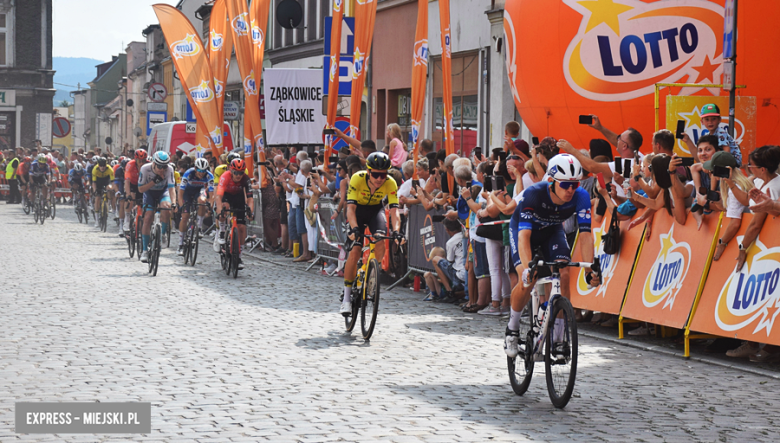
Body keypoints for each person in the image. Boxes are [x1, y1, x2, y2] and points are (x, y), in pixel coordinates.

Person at [504, 153, 600, 358]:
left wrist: (589, 269)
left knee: (564, 272)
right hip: (524, 232)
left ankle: (558, 338)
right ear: (552, 181)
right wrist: (526, 269)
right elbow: (524, 237)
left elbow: (585, 235)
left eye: (575, 184)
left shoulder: (581, 196)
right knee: (527, 279)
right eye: (565, 185)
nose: (571, 190)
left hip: (551, 231)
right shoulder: (534, 193)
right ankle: (512, 328)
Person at [340, 152, 404, 315]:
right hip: (357, 212)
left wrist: (397, 231)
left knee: (381, 238)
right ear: (368, 172)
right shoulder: (357, 179)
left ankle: (371, 274)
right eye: (375, 175)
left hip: (375, 211)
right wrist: (354, 228)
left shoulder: (390, 183)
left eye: (383, 175)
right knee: (355, 251)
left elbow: (395, 212)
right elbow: (351, 209)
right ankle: (346, 299)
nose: (379, 179)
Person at [216, 158, 255, 269]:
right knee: (224, 208)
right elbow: (218, 196)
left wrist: (250, 212)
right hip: (226, 196)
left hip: (238, 198)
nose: (238, 175)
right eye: (236, 173)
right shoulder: (225, 176)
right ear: (231, 170)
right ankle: (222, 231)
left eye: (241, 173)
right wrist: (219, 210)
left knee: (242, 226)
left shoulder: (246, 179)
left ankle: (239, 257)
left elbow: (250, 198)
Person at [138, 151, 176, 263]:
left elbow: (171, 188)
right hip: (149, 192)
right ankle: (144, 250)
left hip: (162, 192)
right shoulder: (145, 169)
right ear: (153, 163)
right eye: (159, 166)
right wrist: (154, 181)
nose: (162, 169)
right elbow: (141, 189)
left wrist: (173, 203)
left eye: (164, 166)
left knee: (166, 207)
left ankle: (163, 233)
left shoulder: (169, 169)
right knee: (148, 217)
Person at [176, 158, 214, 256]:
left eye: (204, 171)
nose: (201, 173)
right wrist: (181, 206)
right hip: (187, 193)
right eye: (199, 170)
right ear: (195, 168)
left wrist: (211, 205)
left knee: (202, 201)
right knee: (185, 216)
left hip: (199, 191)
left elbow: (211, 193)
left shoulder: (209, 175)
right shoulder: (188, 174)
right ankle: (180, 245)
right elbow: (180, 193)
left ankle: (199, 227)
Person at [423, 218, 467, 302]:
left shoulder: (451, 242)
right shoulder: (467, 235)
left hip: (459, 275)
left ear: (447, 229)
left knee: (436, 259)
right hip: (469, 272)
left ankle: (449, 291)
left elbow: (450, 260)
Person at [123, 149, 148, 235]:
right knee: (131, 197)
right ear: (135, 159)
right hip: (132, 184)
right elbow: (127, 181)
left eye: (143, 161)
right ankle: (126, 218)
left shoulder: (149, 164)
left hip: (143, 185)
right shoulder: (130, 164)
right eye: (139, 161)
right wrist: (128, 194)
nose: (141, 163)